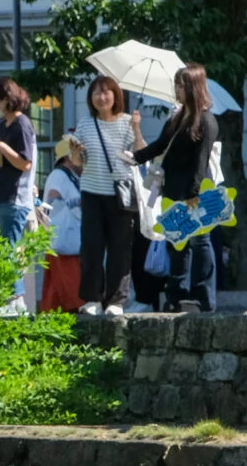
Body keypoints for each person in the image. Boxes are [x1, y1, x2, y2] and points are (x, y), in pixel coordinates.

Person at [137, 62, 220, 312]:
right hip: (174, 189)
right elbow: (160, 144)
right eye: (176, 85)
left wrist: (193, 193)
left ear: (194, 87)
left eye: (181, 85)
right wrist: (136, 157)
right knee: (177, 243)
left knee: (200, 241)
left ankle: (203, 296)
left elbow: (201, 160)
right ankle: (176, 294)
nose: (177, 90)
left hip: (196, 190)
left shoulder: (206, 120)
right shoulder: (177, 117)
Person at [74, 76, 143, 315]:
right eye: (96, 93)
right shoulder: (85, 124)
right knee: (91, 247)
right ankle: (92, 299)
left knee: (120, 248)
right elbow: (78, 163)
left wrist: (136, 128)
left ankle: (115, 301)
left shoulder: (127, 122)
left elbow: (141, 154)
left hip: (120, 194)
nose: (101, 98)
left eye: (106, 92)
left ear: (115, 95)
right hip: (91, 191)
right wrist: (75, 152)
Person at [0, 76, 37, 310]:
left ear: (9, 98)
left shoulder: (22, 124)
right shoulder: (2, 126)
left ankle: (15, 298)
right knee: (0, 247)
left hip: (16, 196)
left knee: (8, 247)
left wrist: (1, 147)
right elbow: (2, 160)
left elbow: (25, 163)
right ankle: (9, 298)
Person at [38, 135, 84, 313]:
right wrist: (78, 202)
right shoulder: (59, 176)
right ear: (69, 157)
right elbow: (53, 202)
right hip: (64, 241)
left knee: (59, 287)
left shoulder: (70, 176)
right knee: (67, 286)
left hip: (67, 240)